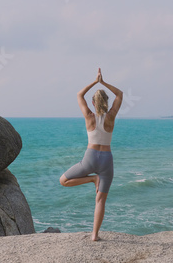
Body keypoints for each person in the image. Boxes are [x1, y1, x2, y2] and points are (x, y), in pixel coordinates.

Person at [59, 68, 123, 241]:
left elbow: (80, 95)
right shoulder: (111, 117)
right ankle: (94, 235)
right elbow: (120, 94)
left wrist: (95, 81)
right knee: (100, 200)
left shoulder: (89, 116)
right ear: (107, 103)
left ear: (94, 103)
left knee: (63, 181)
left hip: (90, 157)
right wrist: (104, 83)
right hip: (107, 160)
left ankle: (91, 179)